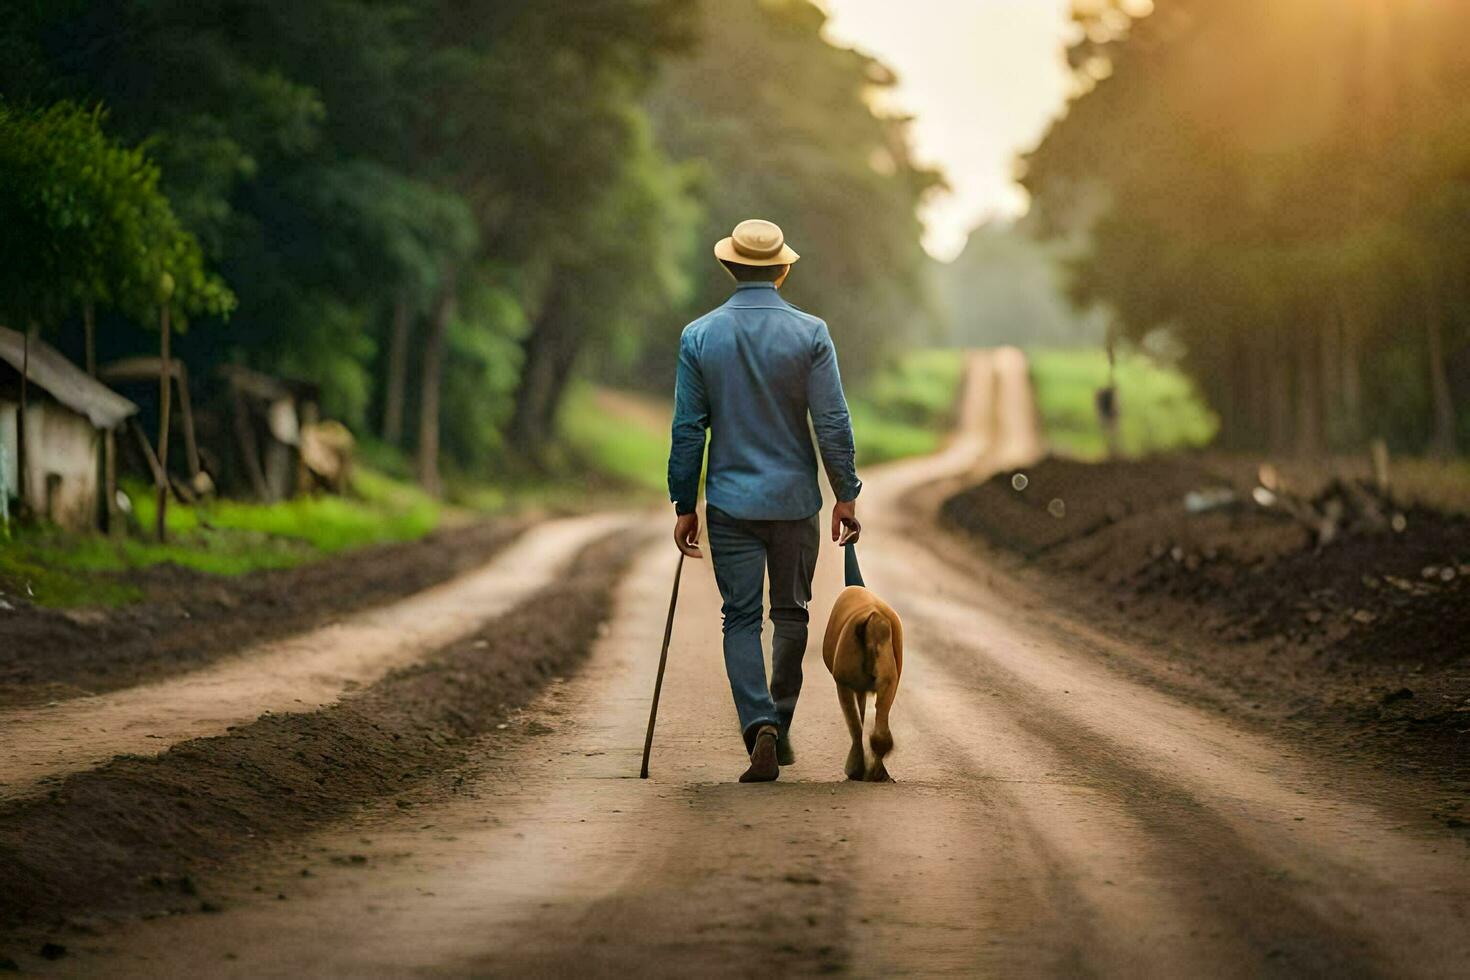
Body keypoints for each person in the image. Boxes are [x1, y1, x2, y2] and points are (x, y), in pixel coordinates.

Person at [667, 218, 862, 783]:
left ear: (730, 267)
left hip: (730, 502)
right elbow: (831, 420)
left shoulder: (699, 335)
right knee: (791, 614)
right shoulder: (811, 333)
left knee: (741, 618)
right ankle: (779, 716)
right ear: (781, 269)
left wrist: (684, 501)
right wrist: (845, 493)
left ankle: (760, 727)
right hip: (795, 501)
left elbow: (688, 429)